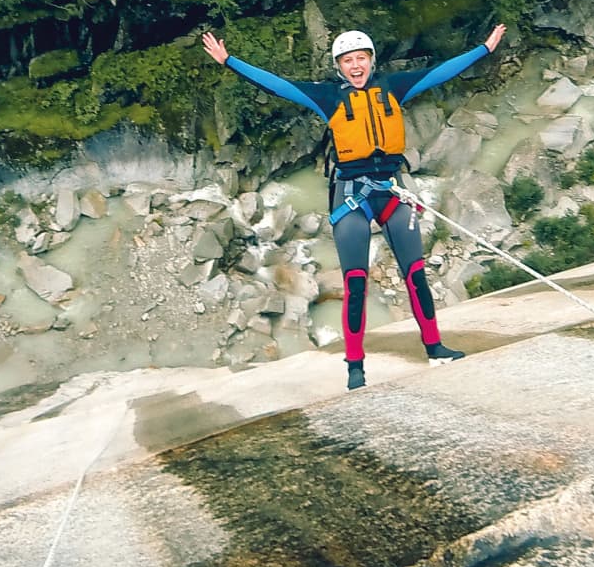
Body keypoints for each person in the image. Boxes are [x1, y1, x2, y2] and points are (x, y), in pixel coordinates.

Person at [201, 21, 505, 389]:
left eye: (361, 58)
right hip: (352, 197)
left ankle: (435, 347)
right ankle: (355, 366)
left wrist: (484, 49)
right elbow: (279, 85)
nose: (356, 66)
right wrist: (230, 61)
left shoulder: (393, 88)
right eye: (348, 61)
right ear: (339, 66)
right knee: (356, 282)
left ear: (371, 61)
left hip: (392, 192)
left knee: (415, 275)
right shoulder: (329, 97)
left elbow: (439, 73)